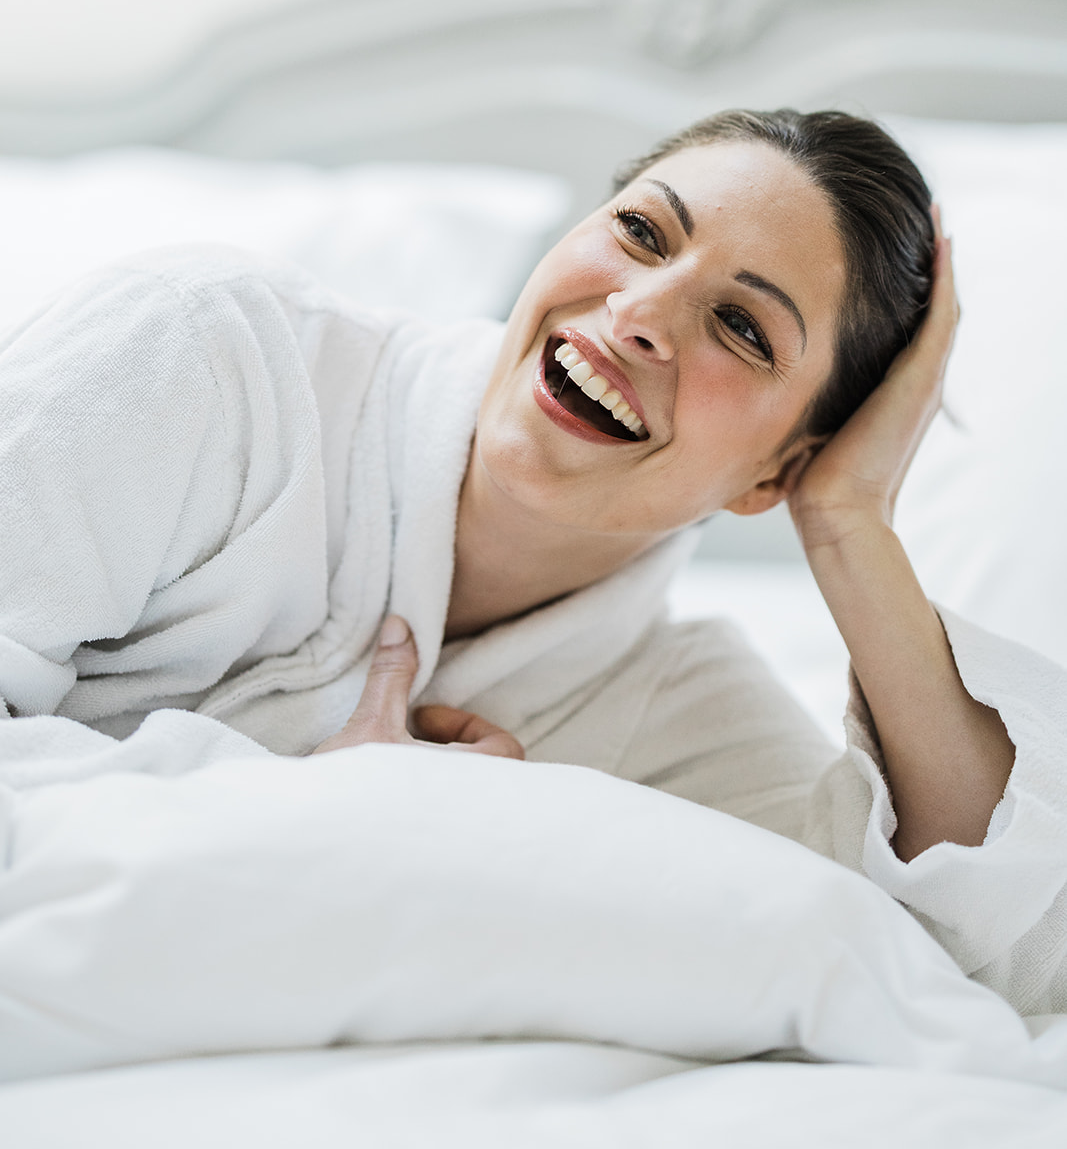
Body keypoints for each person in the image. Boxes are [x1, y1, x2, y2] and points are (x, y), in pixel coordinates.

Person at [0, 108, 1063, 1014]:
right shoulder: (211, 357)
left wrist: (851, 527)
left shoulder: (677, 719)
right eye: (641, 232)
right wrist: (305, 818)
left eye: (740, 327)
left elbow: (981, 966)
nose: (639, 312)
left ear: (771, 474)